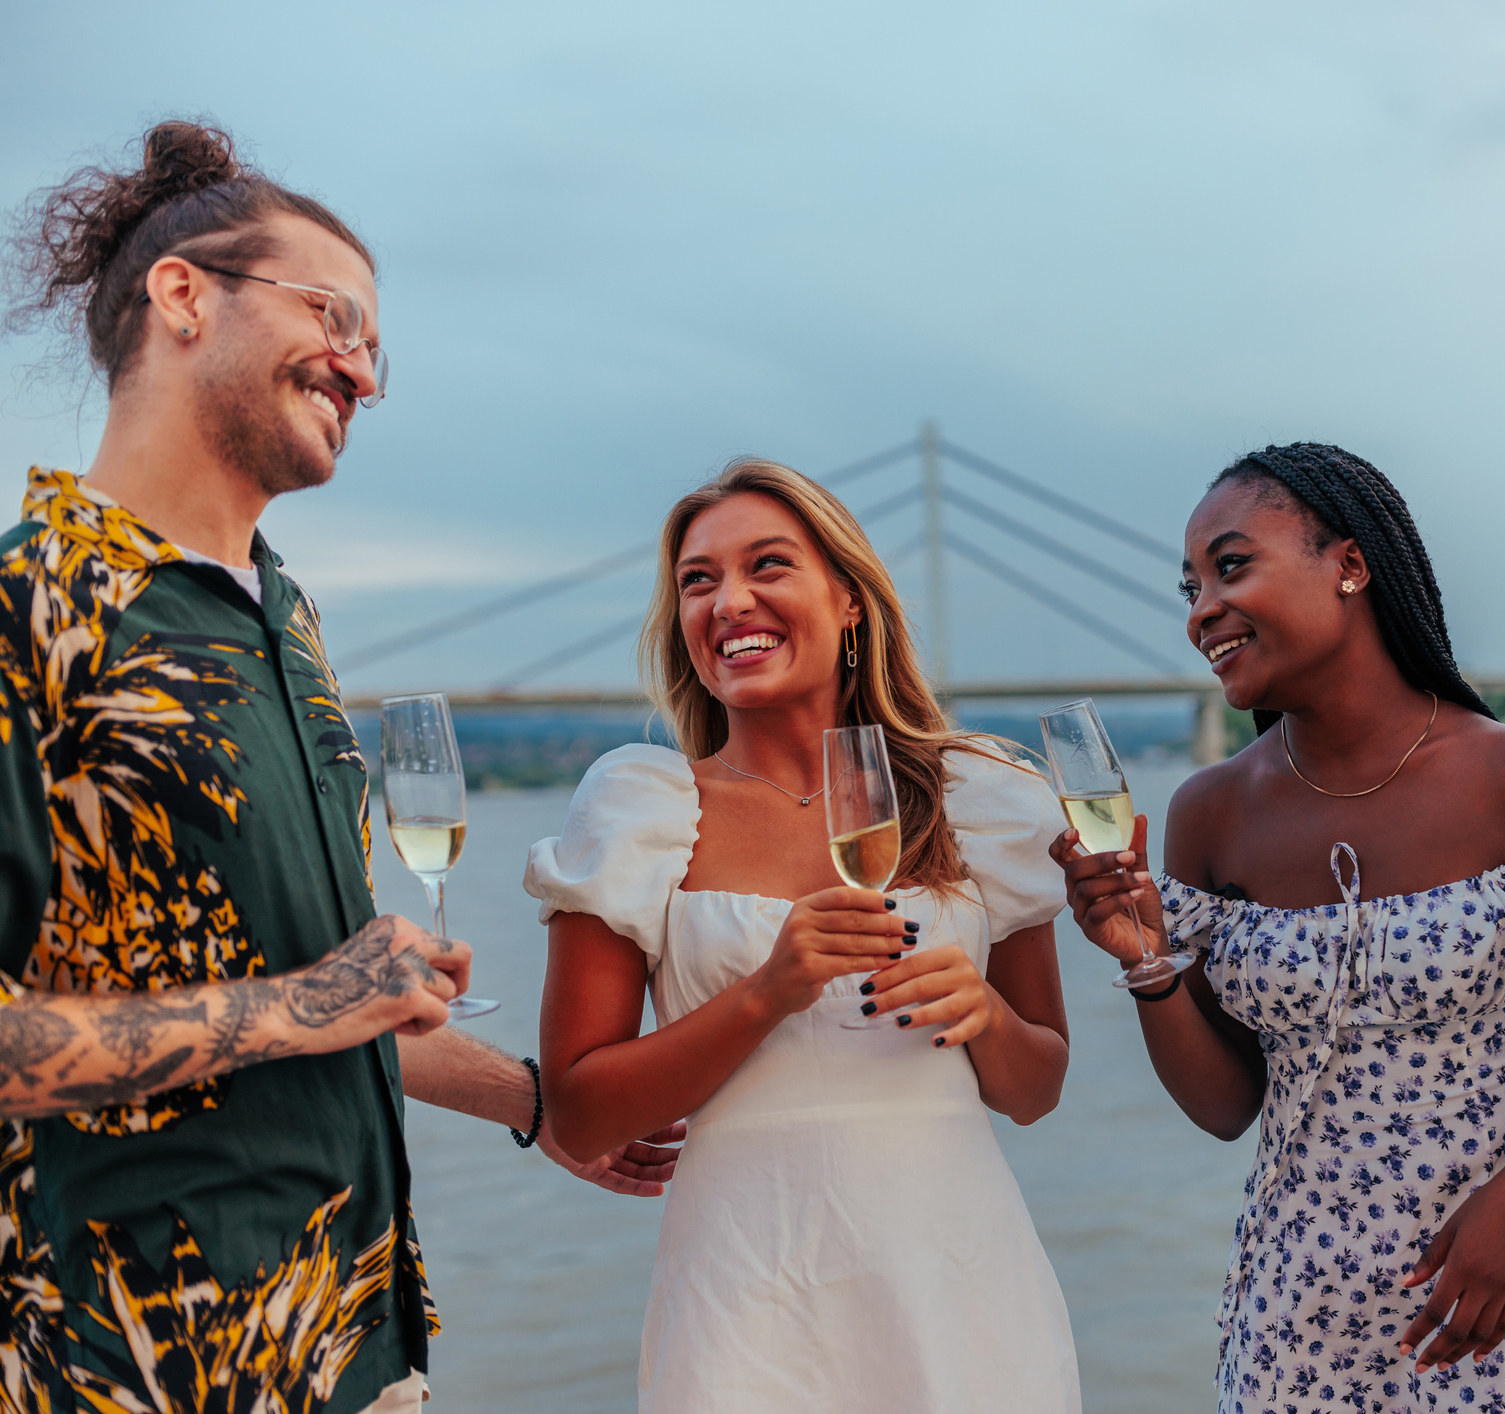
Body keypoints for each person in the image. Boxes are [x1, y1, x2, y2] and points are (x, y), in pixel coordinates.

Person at [0, 121, 680, 1414]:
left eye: (378, 345)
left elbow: (323, 1001)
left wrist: (534, 1102)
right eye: (336, 314)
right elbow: (295, 1003)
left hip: (362, 1352)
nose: (363, 369)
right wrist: (305, 999)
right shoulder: (32, 603)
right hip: (137, 1373)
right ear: (184, 294)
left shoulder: (288, 622)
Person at [1053, 443, 1505, 1413]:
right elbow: (1224, 1106)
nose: (1200, 606)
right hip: (1301, 1306)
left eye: (1231, 566)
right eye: (1190, 585)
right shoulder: (1211, 811)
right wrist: (1143, 960)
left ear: (1349, 564)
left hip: (1500, 1279)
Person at [526, 457, 1079, 1413]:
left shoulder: (976, 796)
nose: (728, 600)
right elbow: (580, 1112)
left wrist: (985, 1015)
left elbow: (1036, 1089)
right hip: (747, 1305)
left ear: (851, 599)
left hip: (963, 1291)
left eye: (767, 566)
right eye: (698, 580)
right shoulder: (642, 805)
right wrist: (767, 991)